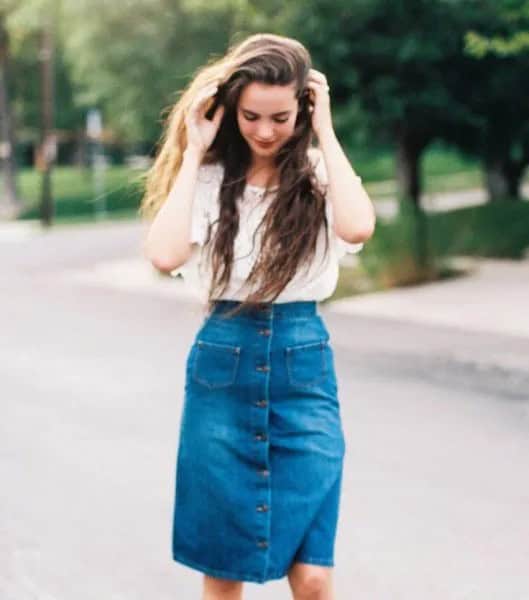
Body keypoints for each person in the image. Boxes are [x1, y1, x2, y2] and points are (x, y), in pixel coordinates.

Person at [141, 32, 375, 600]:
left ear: (304, 108)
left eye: (282, 116)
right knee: (224, 575)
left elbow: (357, 227)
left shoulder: (319, 174)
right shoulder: (209, 179)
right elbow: (165, 254)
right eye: (251, 116)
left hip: (304, 366)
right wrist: (195, 152)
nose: (266, 131)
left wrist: (326, 131)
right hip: (224, 364)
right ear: (230, 110)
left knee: (314, 577)